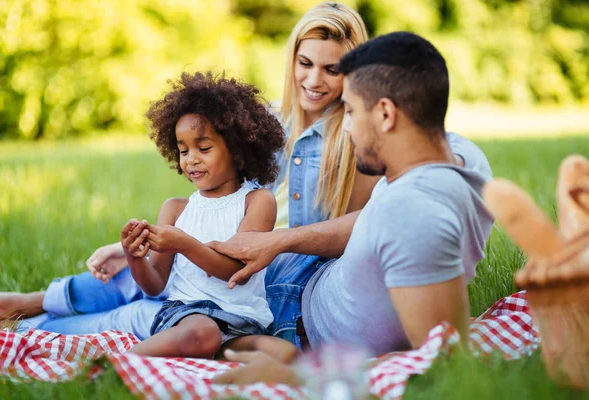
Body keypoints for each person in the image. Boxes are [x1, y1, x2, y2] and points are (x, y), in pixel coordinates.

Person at [0, 3, 490, 345]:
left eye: (332, 70)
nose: (314, 80)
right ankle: (31, 304)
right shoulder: (270, 124)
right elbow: (213, 196)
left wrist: (276, 241)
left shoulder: (359, 139)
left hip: (293, 268)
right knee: (146, 271)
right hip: (258, 253)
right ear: (291, 59)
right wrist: (134, 246)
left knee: (156, 297)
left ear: (355, 75)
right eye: (304, 63)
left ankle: (37, 323)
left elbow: (393, 203)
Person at [210, 31, 494, 385]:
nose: (345, 126)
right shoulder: (467, 163)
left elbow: (439, 359)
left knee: (165, 311)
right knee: (177, 263)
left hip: (292, 318)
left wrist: (295, 376)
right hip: (307, 275)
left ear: (386, 114)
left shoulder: (413, 212)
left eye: (351, 110)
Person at [111, 71, 296, 360]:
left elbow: (238, 271)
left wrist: (184, 243)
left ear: (237, 150)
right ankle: (111, 365)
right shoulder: (175, 209)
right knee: (203, 334)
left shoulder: (257, 202)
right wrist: (134, 256)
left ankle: (223, 357)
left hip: (243, 323)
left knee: (284, 353)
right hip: (188, 314)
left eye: (204, 148)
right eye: (183, 150)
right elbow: (155, 282)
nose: (191, 159)